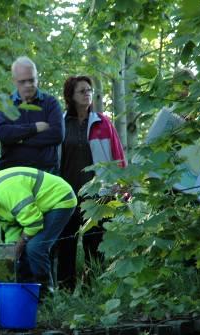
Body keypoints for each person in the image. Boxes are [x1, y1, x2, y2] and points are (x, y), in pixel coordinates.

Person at [0, 167, 77, 292]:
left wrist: (18, 246)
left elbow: (34, 222)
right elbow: (10, 224)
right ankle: (27, 292)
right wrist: (11, 248)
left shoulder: (3, 189)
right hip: (37, 210)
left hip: (60, 198)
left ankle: (46, 295)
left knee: (35, 248)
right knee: (18, 254)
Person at [57, 75, 126, 290]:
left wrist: (121, 183)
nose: (87, 94)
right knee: (65, 245)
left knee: (94, 246)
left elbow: (117, 155)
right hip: (65, 194)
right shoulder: (59, 123)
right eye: (82, 91)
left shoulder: (103, 122)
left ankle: (93, 291)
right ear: (70, 96)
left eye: (89, 90)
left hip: (98, 195)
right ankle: (65, 291)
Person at [0, 56, 64, 174]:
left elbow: (57, 134)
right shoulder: (5, 105)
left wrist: (19, 140)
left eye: (32, 80)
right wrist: (35, 127)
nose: (28, 85)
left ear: (37, 79)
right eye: (23, 81)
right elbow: (4, 134)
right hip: (12, 172)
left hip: (46, 172)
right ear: (14, 81)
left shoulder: (50, 103)